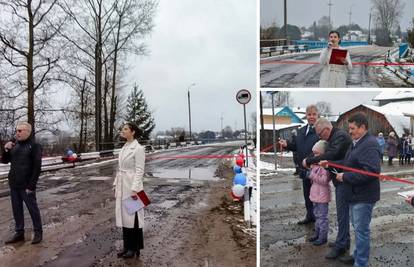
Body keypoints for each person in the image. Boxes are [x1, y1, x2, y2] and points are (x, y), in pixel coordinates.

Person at [331, 113, 381, 266]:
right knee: (357, 229)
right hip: (354, 195)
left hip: (363, 197)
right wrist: (330, 163)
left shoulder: (370, 144)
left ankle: (361, 263)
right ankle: (356, 256)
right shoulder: (356, 143)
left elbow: (371, 172)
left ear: (363, 127)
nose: (350, 131)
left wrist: (345, 177)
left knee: (361, 231)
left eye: (352, 128)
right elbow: (349, 163)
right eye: (349, 128)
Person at [302, 117, 352, 260]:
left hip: (344, 179)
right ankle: (343, 241)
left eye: (319, 134)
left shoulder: (339, 137)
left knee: (342, 214)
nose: (319, 137)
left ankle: (341, 245)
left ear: (327, 129)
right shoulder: (334, 137)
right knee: (342, 213)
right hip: (340, 178)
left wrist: (310, 161)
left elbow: (331, 155)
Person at [1, 122, 43, 244]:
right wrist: (6, 149)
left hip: (27, 185)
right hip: (14, 184)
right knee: (17, 210)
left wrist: (32, 185)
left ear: (28, 132)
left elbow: (37, 167)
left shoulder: (35, 146)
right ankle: (19, 233)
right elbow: (4, 161)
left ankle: (38, 232)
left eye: (20, 131)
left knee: (32, 209)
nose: (17, 133)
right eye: (17, 130)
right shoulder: (15, 145)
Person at [279, 105, 320, 225]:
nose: (311, 117)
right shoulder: (301, 131)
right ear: (306, 116)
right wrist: (287, 144)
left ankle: (319, 218)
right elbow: (297, 146)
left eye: (314, 114)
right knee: (307, 194)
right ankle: (310, 216)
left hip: (316, 170)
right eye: (309, 114)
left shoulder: (320, 131)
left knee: (317, 196)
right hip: (304, 169)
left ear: (318, 115)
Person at [114, 122, 146, 258]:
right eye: (123, 129)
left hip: (132, 187)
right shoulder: (124, 147)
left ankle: (135, 248)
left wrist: (135, 189)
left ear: (132, 132)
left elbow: (140, 170)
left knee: (134, 217)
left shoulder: (138, 148)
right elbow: (120, 168)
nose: (123, 131)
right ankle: (127, 246)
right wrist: (116, 183)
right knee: (125, 218)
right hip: (123, 185)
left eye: (126, 129)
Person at [307, 140, 331, 246]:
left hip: (322, 196)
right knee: (316, 215)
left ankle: (323, 236)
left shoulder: (325, 167)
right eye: (314, 153)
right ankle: (317, 233)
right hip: (315, 195)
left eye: (317, 154)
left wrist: (311, 175)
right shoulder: (315, 166)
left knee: (322, 217)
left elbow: (324, 181)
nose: (315, 156)